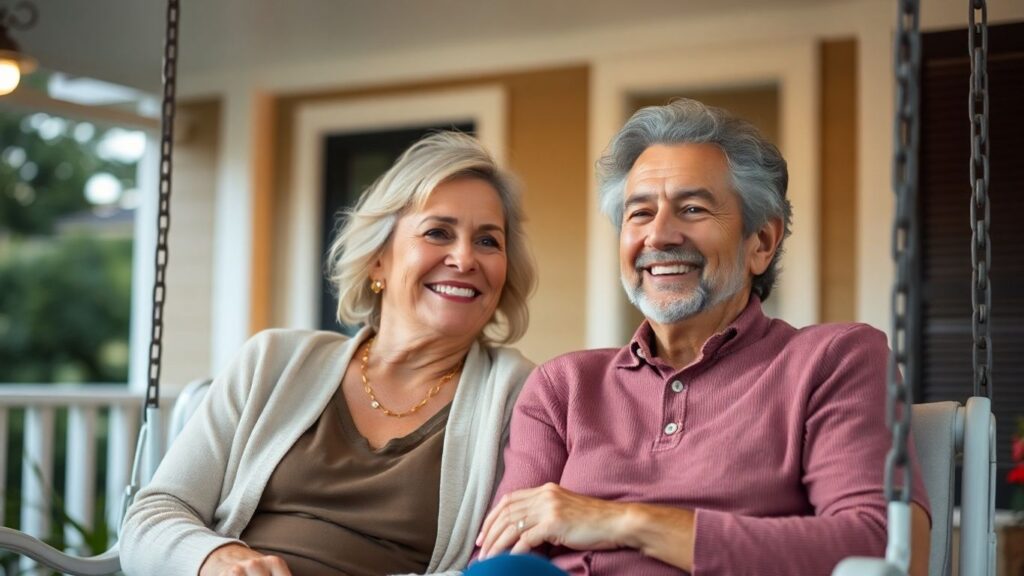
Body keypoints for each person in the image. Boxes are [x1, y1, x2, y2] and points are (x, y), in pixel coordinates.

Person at [475, 99, 932, 575]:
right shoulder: (564, 386)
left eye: (692, 209)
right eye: (640, 213)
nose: (659, 235)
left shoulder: (834, 360)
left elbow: (883, 548)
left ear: (761, 243)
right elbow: (499, 551)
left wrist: (621, 521)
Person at [120, 131, 537, 576]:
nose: (464, 258)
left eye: (488, 241)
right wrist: (214, 559)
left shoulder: (519, 395)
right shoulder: (273, 361)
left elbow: (502, 565)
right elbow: (153, 517)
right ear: (379, 259)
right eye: (438, 232)